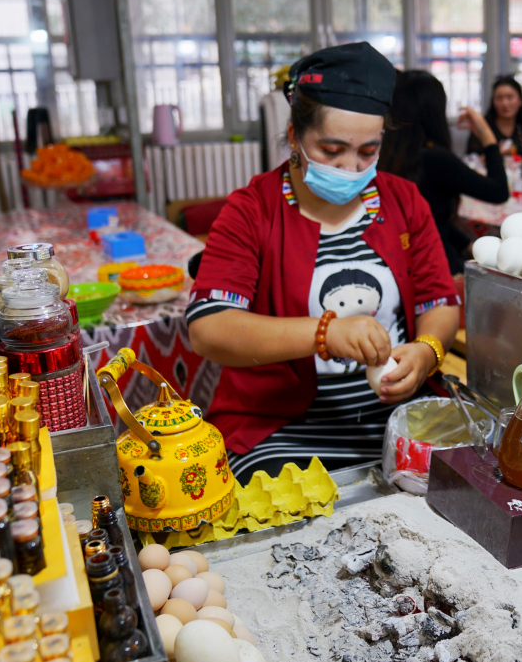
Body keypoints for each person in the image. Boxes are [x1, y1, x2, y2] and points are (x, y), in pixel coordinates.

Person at [187, 43, 460, 481]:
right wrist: (325, 333)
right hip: (283, 430)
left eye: (368, 152)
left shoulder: (403, 201)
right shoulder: (252, 210)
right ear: (295, 136)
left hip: (393, 419)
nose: (351, 167)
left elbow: (439, 301)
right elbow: (209, 328)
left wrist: (427, 353)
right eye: (332, 150)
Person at [381, 70, 509, 275]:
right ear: (435, 110)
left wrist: (465, 244)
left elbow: (433, 218)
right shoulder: (435, 159)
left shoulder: (387, 154)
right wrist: (487, 135)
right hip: (435, 265)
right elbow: (499, 191)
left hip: (401, 262)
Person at [466, 75, 522, 181]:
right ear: (493, 102)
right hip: (488, 184)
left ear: (520, 101)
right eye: (499, 98)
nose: (505, 103)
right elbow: (470, 163)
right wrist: (496, 153)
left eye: (510, 98)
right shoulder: (483, 128)